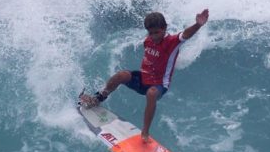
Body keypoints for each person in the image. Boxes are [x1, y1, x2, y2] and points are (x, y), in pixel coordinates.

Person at [79, 9, 210, 143]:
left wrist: (198, 25)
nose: (153, 36)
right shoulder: (148, 40)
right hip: (143, 79)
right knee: (121, 75)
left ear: (164, 28)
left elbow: (185, 35)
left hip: (159, 85)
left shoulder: (172, 41)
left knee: (151, 93)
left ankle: (145, 132)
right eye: (151, 33)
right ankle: (98, 98)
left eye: (157, 32)